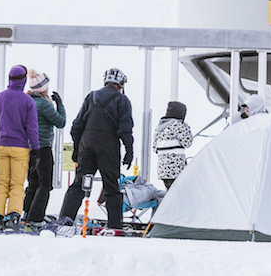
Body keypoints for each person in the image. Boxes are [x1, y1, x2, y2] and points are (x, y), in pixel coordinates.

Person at [58, 67, 134, 230]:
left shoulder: (91, 96)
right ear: (120, 84)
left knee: (78, 184)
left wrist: (77, 149)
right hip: (108, 146)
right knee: (111, 187)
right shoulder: (122, 100)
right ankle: (115, 227)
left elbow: (76, 126)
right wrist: (129, 150)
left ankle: (64, 221)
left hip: (87, 144)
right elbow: (124, 129)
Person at [0, 65, 37, 231]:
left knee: (1, 183)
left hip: (1, 146)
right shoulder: (27, 101)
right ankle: (13, 217)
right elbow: (32, 128)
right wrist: (36, 150)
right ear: (24, 79)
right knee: (17, 184)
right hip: (20, 148)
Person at [23, 69, 65, 224]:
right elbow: (60, 122)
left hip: (27, 149)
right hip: (42, 148)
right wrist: (60, 104)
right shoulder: (43, 104)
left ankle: (26, 214)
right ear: (42, 88)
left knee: (32, 183)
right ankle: (36, 218)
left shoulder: (27, 101)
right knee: (45, 184)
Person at [152, 101, 193, 189]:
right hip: (176, 169)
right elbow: (188, 142)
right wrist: (187, 128)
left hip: (162, 170)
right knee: (177, 194)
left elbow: (154, 148)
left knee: (169, 193)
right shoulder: (178, 125)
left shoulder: (159, 128)